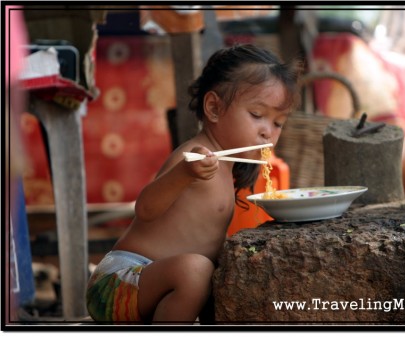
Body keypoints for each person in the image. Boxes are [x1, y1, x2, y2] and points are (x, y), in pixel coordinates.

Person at [86, 44, 303, 324]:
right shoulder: (194, 157)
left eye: (278, 123)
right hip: (119, 283)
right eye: (257, 115)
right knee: (197, 271)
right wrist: (184, 174)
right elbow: (145, 209)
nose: (267, 132)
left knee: (211, 272)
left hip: (156, 287)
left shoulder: (227, 167)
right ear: (214, 108)